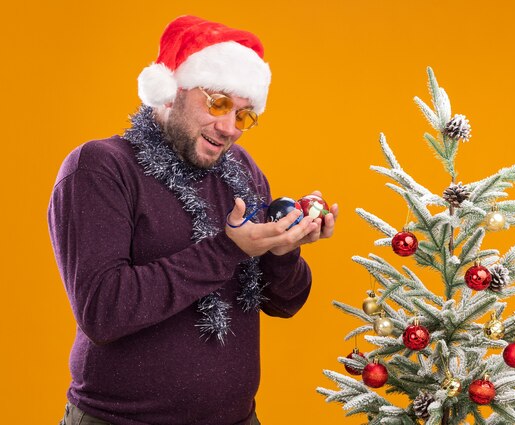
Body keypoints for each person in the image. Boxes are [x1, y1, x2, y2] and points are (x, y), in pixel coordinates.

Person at [48, 15, 337, 425]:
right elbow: (102, 311)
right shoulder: (100, 168)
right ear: (171, 92)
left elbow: (284, 303)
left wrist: (282, 251)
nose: (229, 128)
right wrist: (228, 248)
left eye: (243, 115)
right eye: (217, 103)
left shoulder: (241, 170)